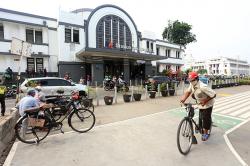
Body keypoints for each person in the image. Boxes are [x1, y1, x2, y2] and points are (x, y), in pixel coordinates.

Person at [180, 71, 216, 141]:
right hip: (200, 102)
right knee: (200, 117)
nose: (191, 82)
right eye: (190, 80)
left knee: (205, 118)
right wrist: (183, 99)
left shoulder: (203, 87)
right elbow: (188, 92)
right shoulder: (192, 84)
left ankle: (206, 133)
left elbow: (214, 94)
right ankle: (200, 126)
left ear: (196, 79)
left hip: (208, 103)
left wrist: (205, 101)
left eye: (192, 80)